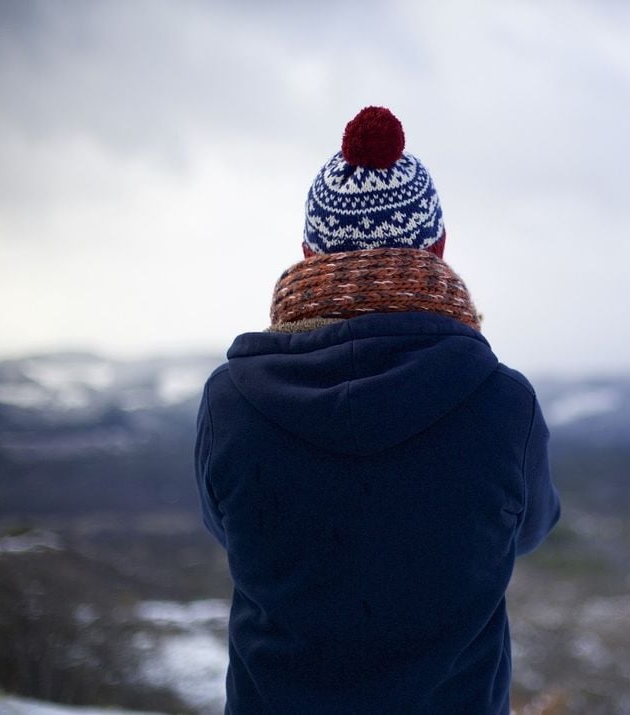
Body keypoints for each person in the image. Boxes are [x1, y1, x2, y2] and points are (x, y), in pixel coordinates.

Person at [194, 106, 560, 714]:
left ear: (309, 252)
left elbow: (225, 527)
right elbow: (528, 529)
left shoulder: (230, 401)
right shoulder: (504, 404)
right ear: (438, 248)